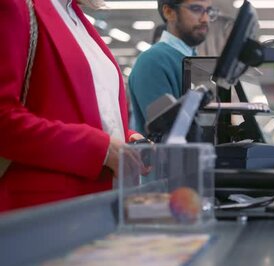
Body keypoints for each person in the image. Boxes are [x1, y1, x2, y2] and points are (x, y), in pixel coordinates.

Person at [0, 0, 145, 212]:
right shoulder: (16, 6)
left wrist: (125, 137)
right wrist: (100, 148)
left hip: (96, 206)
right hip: (44, 214)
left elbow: (76, 110)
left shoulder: (74, 17)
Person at [128, 0, 215, 133]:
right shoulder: (152, 61)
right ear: (169, 12)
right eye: (196, 9)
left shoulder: (194, 60)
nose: (205, 19)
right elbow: (168, 134)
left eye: (208, 11)